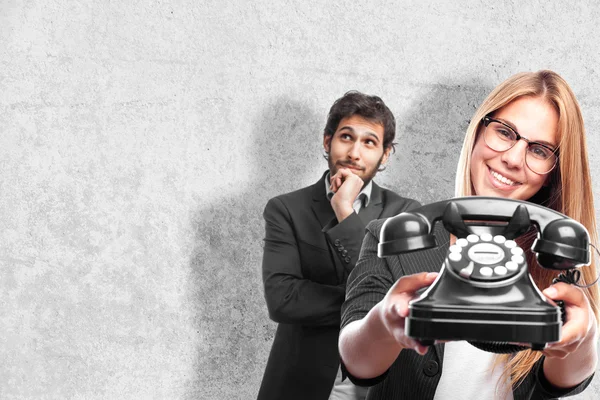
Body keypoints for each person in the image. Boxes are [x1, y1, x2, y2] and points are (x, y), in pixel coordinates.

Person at [338, 70, 599, 399]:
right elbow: (356, 362)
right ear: (478, 130)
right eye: (505, 132)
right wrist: (384, 322)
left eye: (539, 150)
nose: (513, 158)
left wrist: (585, 336)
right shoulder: (386, 237)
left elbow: (565, 382)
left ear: (552, 173)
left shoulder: (557, 266)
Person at [257, 91, 421, 400]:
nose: (354, 153)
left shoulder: (405, 213)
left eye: (369, 142)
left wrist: (345, 211)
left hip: (377, 386)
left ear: (385, 154)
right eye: (346, 137)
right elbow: (282, 299)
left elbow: (405, 296)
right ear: (327, 141)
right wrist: (371, 304)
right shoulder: (287, 209)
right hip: (299, 382)